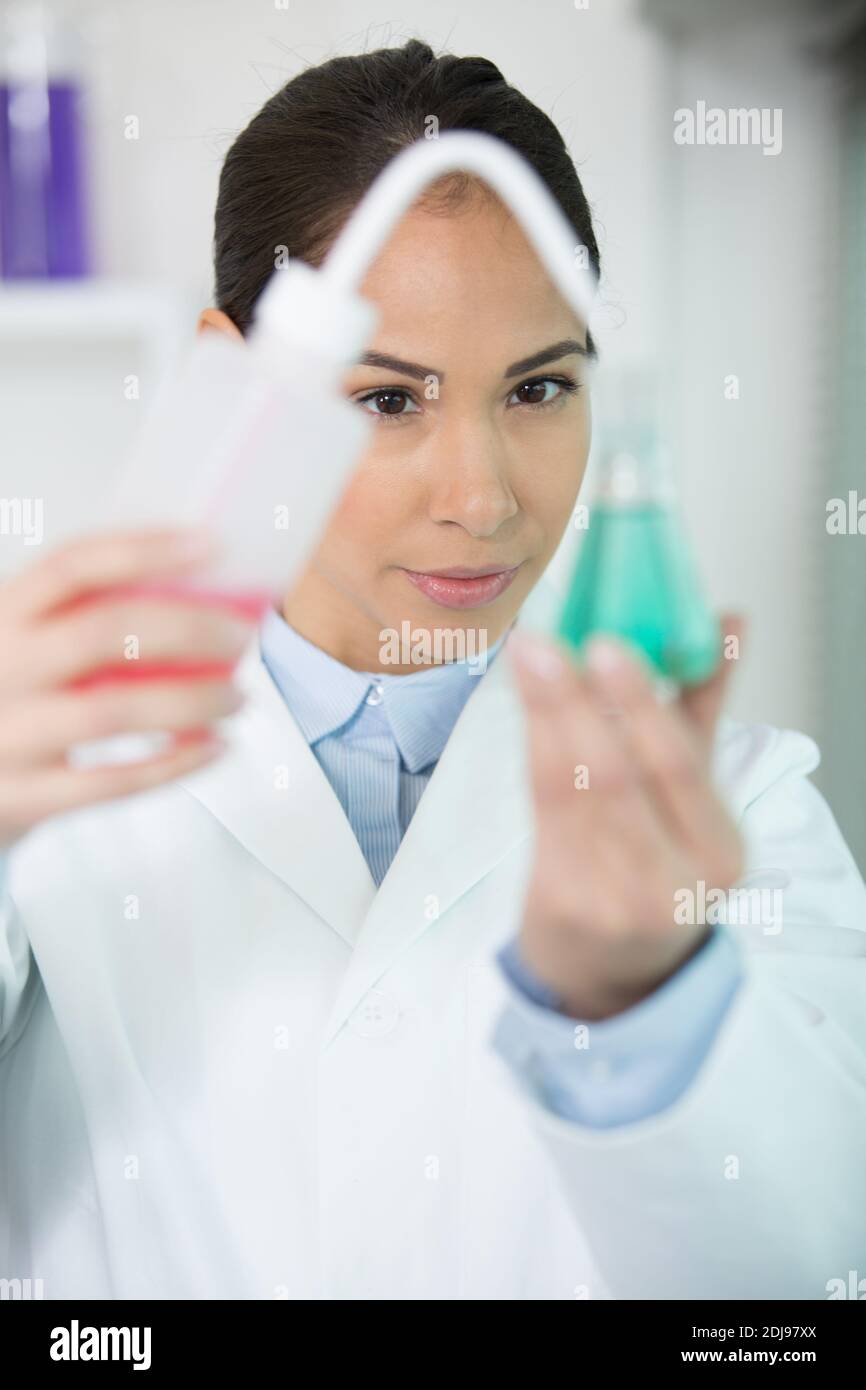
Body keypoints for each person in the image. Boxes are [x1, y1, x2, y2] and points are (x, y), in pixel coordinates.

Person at [1, 38, 863, 1301]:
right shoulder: (55, 768)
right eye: (389, 400)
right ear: (238, 375)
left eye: (537, 387)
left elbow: (799, 1253)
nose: (481, 497)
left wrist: (640, 1003)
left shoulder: (738, 803)